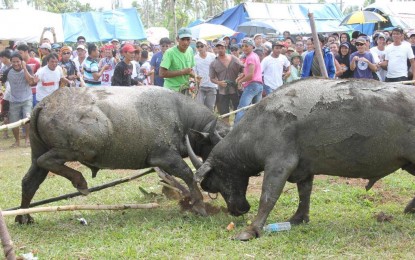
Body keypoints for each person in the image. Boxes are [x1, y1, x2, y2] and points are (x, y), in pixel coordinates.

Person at [0, 53, 33, 147]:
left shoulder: (27, 68)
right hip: (13, 100)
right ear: (10, 62)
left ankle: (27, 139)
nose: (16, 64)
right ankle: (17, 141)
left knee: (27, 120)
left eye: (18, 61)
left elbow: (30, 81)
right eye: (13, 62)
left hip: (27, 99)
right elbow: (2, 81)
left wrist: (25, 68)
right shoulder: (7, 71)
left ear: (21, 61)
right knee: (14, 122)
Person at [209, 40, 243, 124]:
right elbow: (211, 78)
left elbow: (243, 69)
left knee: (238, 111)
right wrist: (219, 83)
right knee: (224, 114)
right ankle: (227, 131)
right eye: (218, 48)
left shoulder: (234, 59)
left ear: (226, 48)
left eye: (222, 48)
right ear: (216, 49)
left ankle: (237, 128)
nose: (220, 50)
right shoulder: (213, 63)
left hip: (235, 90)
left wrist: (240, 80)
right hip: (222, 91)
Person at [234, 38, 263, 125]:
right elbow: (249, 72)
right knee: (256, 110)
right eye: (242, 46)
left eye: (246, 46)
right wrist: (241, 77)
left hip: (252, 86)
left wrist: (240, 82)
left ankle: (235, 130)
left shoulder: (250, 58)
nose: (244, 48)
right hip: (259, 86)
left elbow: (250, 75)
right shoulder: (254, 56)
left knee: (242, 108)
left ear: (252, 46)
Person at [159, 27, 195, 92]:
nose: (185, 42)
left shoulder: (190, 50)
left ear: (191, 39)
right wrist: (182, 72)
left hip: (185, 89)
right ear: (177, 39)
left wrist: (195, 77)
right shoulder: (169, 53)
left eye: (188, 39)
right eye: (183, 39)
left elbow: (190, 70)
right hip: (170, 90)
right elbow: (161, 74)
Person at [194, 39, 217, 111]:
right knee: (199, 108)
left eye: (201, 46)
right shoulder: (195, 58)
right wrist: (196, 77)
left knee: (210, 108)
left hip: (212, 86)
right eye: (198, 46)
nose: (200, 48)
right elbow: (194, 72)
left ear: (206, 46)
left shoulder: (212, 56)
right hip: (200, 86)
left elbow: (217, 68)